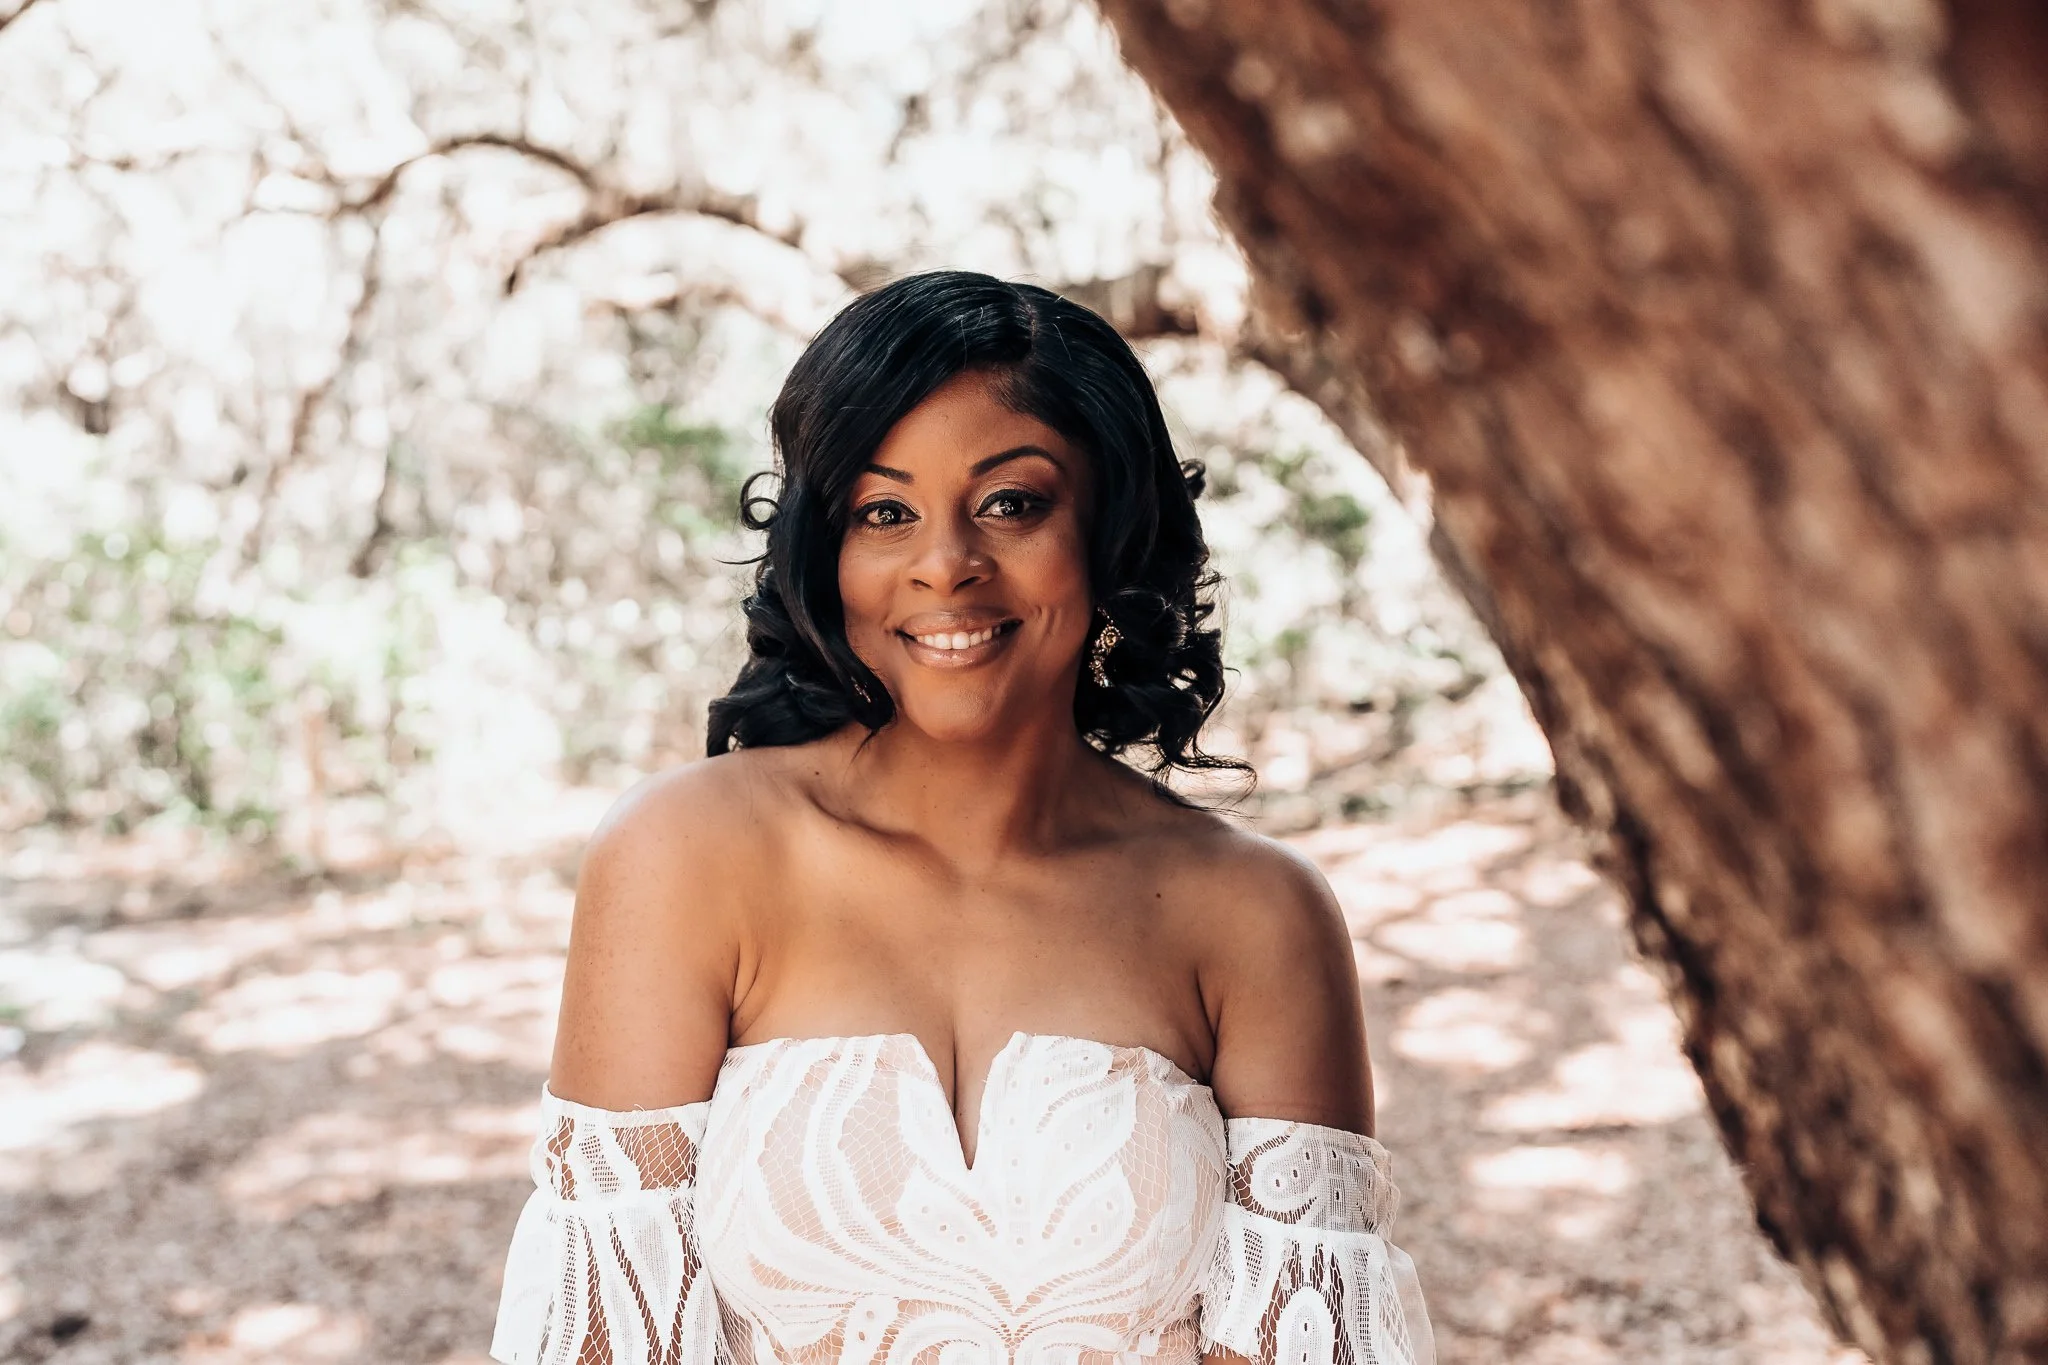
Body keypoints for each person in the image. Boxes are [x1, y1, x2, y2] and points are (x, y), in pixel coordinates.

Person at [489, 271, 1435, 1365]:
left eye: (1010, 503)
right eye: (884, 513)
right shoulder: (686, 858)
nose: (946, 564)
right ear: (827, 553)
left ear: (1109, 530)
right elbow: (606, 1341)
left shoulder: (1253, 915)